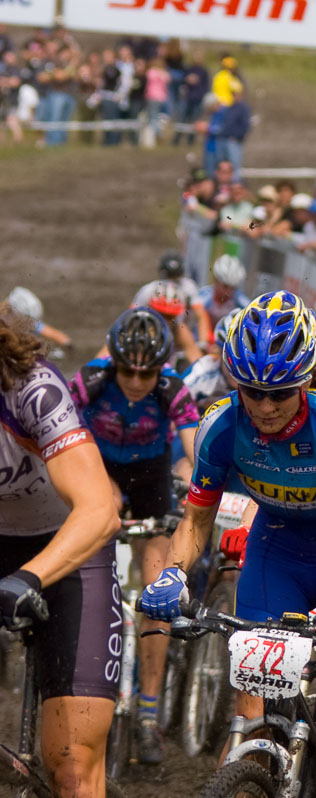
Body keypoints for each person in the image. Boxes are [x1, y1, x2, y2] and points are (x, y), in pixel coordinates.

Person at [138, 292, 316, 798]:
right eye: (253, 392)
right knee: (251, 715)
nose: (267, 406)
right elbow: (194, 522)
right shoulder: (221, 426)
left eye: (281, 392)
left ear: (306, 381)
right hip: (279, 551)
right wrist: (174, 573)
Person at [69, 308, 201, 765]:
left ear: (162, 367)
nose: (137, 381)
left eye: (148, 372)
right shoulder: (92, 379)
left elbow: (193, 452)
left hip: (151, 476)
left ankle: (148, 712)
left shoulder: (172, 389)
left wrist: (193, 486)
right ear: (114, 363)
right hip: (98, 468)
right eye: (128, 369)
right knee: (96, 529)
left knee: (157, 592)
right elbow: (58, 430)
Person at [0, 309, 122, 798]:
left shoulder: (32, 390)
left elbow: (99, 511)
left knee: (72, 767)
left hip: (66, 548)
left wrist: (27, 579)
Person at [194, 254, 250, 346]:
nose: (228, 291)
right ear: (215, 280)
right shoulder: (201, 297)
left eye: (233, 288)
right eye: (225, 286)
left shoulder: (243, 303)